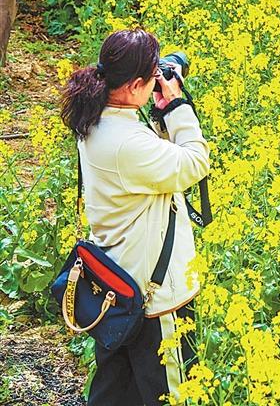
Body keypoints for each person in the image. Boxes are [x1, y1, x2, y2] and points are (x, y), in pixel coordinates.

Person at [60, 28, 210, 406]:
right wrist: (178, 107)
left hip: (116, 287)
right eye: (152, 76)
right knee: (171, 397)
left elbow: (149, 163)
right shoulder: (127, 143)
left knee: (114, 394)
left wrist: (158, 113)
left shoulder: (95, 119)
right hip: (154, 301)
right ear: (133, 86)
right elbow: (195, 162)